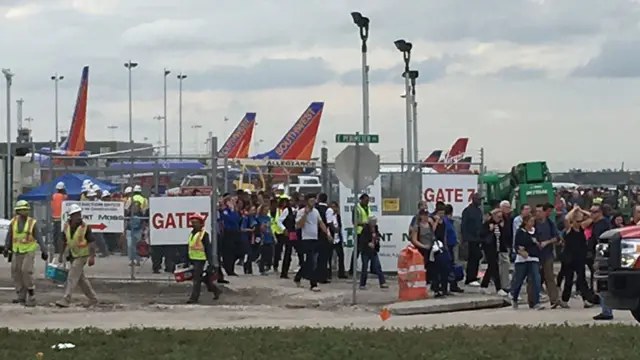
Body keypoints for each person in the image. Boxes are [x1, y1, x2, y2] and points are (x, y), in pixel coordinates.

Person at [3, 200, 47, 306]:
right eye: (22, 210)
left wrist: (44, 250)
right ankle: (21, 297)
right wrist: (6, 248)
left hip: (28, 250)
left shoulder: (32, 223)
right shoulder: (13, 222)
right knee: (16, 272)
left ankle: (31, 294)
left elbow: (39, 238)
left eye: (26, 210)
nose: (25, 212)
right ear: (18, 211)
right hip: (16, 250)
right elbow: (10, 235)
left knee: (26, 271)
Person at [56, 204, 99, 308]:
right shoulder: (66, 226)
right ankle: (93, 299)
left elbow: (91, 243)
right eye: (75, 215)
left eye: (79, 214)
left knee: (72, 276)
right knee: (81, 279)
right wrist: (60, 255)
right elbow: (63, 241)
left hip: (82, 255)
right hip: (73, 255)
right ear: (71, 216)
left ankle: (66, 299)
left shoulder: (85, 227)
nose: (78, 217)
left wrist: (92, 257)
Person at [559, 205, 596, 309]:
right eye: (577, 221)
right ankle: (564, 300)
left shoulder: (581, 228)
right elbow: (566, 218)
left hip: (580, 257)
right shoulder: (569, 229)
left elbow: (591, 217)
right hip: (569, 258)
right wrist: (574, 210)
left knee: (582, 279)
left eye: (580, 221)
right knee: (569, 279)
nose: (579, 223)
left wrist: (581, 210)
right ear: (573, 221)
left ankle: (586, 299)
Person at [294, 193, 333, 291]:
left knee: (309, 261)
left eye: (314, 200)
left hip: (315, 238)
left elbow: (321, 223)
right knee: (312, 261)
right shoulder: (301, 212)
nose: (313, 202)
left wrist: (328, 234)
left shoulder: (316, 212)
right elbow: (298, 225)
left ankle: (298, 277)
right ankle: (313, 284)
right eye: (311, 201)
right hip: (306, 239)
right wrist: (305, 214)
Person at [510, 214, 544, 310]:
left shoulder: (535, 232)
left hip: (534, 258)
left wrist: (536, 244)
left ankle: (536, 302)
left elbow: (538, 244)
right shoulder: (520, 232)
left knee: (536, 280)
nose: (532, 223)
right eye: (530, 221)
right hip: (522, 260)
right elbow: (518, 245)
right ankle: (514, 297)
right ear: (525, 222)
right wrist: (521, 251)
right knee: (519, 280)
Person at [186, 213, 222, 303]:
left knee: (197, 279)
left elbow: (208, 249)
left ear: (201, 224)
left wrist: (210, 263)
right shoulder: (192, 234)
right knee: (204, 279)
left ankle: (194, 298)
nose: (194, 224)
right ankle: (216, 290)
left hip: (201, 260)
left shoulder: (204, 235)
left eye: (196, 222)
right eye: (192, 222)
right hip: (193, 259)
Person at [531, 203, 561, 308]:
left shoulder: (549, 223)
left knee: (550, 277)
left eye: (540, 211)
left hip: (547, 253)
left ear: (544, 212)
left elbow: (556, 237)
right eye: (536, 211)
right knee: (534, 278)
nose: (538, 214)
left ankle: (554, 299)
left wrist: (547, 242)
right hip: (535, 255)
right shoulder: (533, 223)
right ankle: (533, 300)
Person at [479, 208, 508, 296]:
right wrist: (489, 230)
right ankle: (498, 288)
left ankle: (483, 286)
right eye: (498, 216)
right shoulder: (488, 224)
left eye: (500, 217)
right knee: (494, 267)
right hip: (489, 248)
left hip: (497, 248)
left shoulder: (499, 225)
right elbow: (482, 234)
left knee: (491, 268)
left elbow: (501, 237)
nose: (499, 218)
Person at [358, 216, 388, 289]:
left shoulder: (376, 228)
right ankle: (362, 284)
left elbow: (377, 234)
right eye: (373, 222)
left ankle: (382, 282)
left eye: (375, 222)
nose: (374, 223)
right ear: (369, 222)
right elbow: (362, 239)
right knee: (365, 268)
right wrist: (368, 243)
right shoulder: (365, 229)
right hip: (366, 251)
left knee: (378, 266)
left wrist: (378, 238)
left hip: (373, 250)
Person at [277, 195, 303, 278]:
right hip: (290, 233)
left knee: (300, 251)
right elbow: (279, 220)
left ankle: (303, 269)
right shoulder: (287, 210)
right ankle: (284, 272)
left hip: (297, 233)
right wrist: (284, 229)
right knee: (288, 252)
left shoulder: (300, 210)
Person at [461, 193, 484, 286]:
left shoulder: (479, 211)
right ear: (474, 199)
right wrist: (465, 239)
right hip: (470, 239)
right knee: (472, 258)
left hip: (477, 238)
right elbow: (464, 226)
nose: (480, 201)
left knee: (477, 257)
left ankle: (474, 275)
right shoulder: (467, 211)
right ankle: (470, 278)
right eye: (479, 199)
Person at [314, 193, 336, 283]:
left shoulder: (315, 208)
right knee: (324, 257)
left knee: (316, 257)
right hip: (324, 234)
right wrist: (333, 232)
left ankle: (316, 275)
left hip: (315, 234)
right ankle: (323, 277)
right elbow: (329, 223)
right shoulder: (328, 210)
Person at [348, 194, 371, 276]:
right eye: (365, 201)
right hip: (359, 232)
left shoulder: (367, 207)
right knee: (356, 252)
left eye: (368, 201)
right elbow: (354, 221)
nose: (367, 202)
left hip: (366, 232)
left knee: (367, 252)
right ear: (361, 200)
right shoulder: (356, 208)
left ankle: (366, 270)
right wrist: (364, 223)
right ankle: (352, 270)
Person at [219, 197, 241, 276]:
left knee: (236, 251)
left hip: (235, 232)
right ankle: (229, 269)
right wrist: (231, 210)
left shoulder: (233, 211)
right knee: (228, 252)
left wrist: (233, 210)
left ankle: (230, 267)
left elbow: (237, 219)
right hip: (228, 232)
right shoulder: (225, 211)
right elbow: (231, 219)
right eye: (232, 201)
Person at [328, 201, 347, 279]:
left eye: (335, 207)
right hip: (331, 238)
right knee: (329, 257)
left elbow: (341, 227)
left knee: (341, 256)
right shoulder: (328, 216)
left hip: (338, 239)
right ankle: (328, 274)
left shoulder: (338, 216)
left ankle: (341, 273)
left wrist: (343, 239)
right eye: (332, 207)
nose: (334, 209)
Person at [256, 205, 275, 275]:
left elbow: (270, 228)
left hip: (269, 236)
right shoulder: (258, 218)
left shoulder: (268, 218)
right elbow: (258, 228)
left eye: (267, 210)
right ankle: (262, 269)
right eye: (265, 210)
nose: (266, 212)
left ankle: (267, 265)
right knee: (264, 253)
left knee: (270, 253)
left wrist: (273, 236)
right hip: (262, 237)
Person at [51, 181, 67, 255]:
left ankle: (56, 249)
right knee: (61, 234)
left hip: (54, 217)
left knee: (55, 234)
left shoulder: (53, 196)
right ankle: (61, 249)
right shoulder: (64, 196)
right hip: (62, 218)